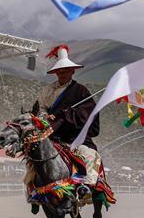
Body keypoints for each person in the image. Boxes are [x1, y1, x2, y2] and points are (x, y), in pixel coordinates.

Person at [34, 44, 101, 200]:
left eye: (65, 71)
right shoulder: (47, 90)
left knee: (90, 155)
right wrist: (45, 117)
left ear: (73, 71)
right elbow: (39, 108)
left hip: (74, 137)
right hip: (50, 135)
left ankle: (87, 187)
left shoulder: (81, 91)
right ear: (56, 72)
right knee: (34, 160)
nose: (62, 74)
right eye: (59, 71)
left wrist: (65, 115)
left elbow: (87, 114)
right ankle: (34, 191)